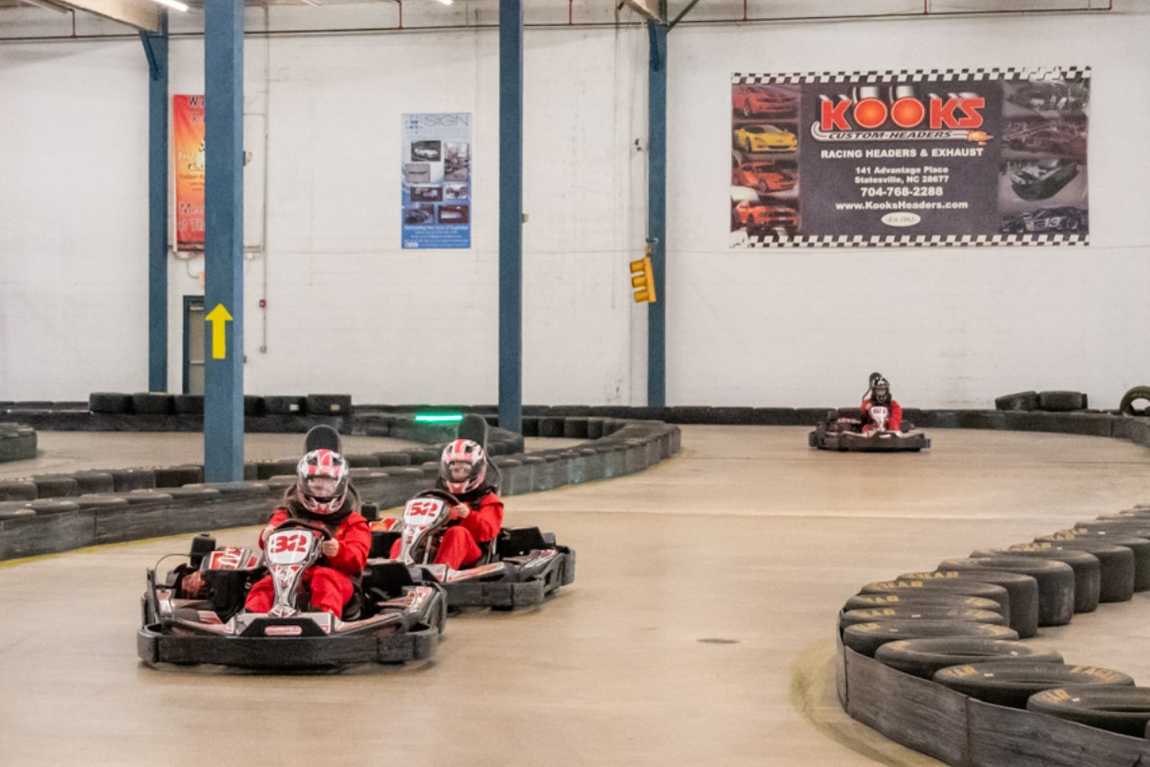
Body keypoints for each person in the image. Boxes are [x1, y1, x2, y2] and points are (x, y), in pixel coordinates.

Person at [241, 448, 372, 617]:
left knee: (324, 579)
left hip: (337, 578)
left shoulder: (353, 521)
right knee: (266, 585)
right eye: (316, 482)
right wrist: (267, 534)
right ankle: (251, 620)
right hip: (288, 575)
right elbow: (272, 531)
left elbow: (358, 557)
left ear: (340, 484)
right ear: (304, 483)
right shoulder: (288, 513)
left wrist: (338, 550)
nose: (322, 488)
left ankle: (323, 619)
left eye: (328, 482)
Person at [390, 438, 504, 570]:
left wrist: (469, 515)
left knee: (457, 532)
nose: (459, 474)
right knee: (402, 541)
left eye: (465, 470)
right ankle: (395, 572)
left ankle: (438, 572)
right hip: (436, 545)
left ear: (477, 470)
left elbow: (488, 531)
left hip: (472, 554)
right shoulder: (436, 497)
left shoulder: (488, 499)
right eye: (455, 470)